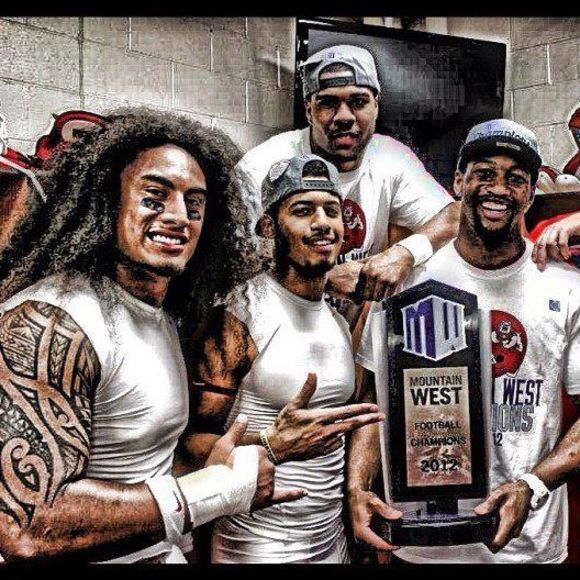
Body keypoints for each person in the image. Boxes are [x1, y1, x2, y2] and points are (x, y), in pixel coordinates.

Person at [0, 107, 303, 563]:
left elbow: (147, 467)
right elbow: (27, 526)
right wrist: (214, 492)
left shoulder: (162, 312)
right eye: (154, 197)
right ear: (108, 203)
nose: (179, 216)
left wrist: (250, 454)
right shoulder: (51, 321)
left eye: (194, 205)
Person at [350, 118, 580, 563]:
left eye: (515, 178)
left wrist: (533, 485)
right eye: (484, 173)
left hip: (527, 547)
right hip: (424, 545)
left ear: (531, 193)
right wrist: (357, 488)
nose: (498, 189)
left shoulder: (566, 287)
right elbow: (371, 399)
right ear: (458, 182)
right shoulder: (407, 283)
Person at [183, 154, 385, 563]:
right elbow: (190, 444)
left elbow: (358, 417)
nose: (323, 223)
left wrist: (358, 492)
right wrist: (270, 444)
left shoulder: (337, 320)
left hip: (332, 544)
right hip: (254, 547)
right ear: (269, 228)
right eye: (303, 210)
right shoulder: (240, 316)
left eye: (332, 211)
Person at [235, 44, 459, 327]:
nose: (344, 116)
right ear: (309, 111)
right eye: (328, 103)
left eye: (358, 101)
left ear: (376, 106)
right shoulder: (264, 166)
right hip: (274, 327)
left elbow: (453, 217)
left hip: (348, 332)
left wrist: (404, 253)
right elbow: (229, 257)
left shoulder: (391, 158)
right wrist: (323, 278)